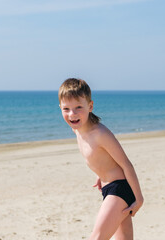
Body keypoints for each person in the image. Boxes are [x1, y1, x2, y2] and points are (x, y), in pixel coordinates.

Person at [58, 78, 144, 240]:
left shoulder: (100, 134)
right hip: (108, 188)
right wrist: (101, 174)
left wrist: (139, 199)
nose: (72, 114)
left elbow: (126, 165)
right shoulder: (77, 130)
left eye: (78, 107)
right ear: (60, 109)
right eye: (66, 109)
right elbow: (101, 156)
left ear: (90, 106)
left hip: (121, 189)